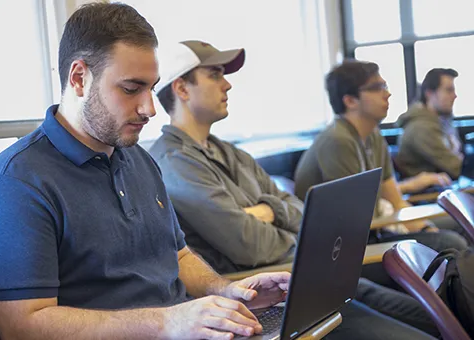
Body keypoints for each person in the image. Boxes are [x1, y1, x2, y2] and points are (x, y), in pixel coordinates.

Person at [0, 4, 295, 339]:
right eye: (131, 88)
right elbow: (21, 328)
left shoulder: (139, 159)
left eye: (151, 88)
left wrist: (227, 293)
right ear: (79, 78)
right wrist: (168, 323)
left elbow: (178, 257)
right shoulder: (13, 184)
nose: (149, 108)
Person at [150, 41, 438, 338]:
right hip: (268, 298)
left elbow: (301, 211)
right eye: (214, 74)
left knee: (436, 315)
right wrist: (276, 216)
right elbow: (249, 245)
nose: (227, 84)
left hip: (306, 276)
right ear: (182, 89)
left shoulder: (230, 152)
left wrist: (268, 212)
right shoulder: (174, 163)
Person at [294, 60, 467, 252]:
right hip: (338, 249)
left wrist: (426, 228)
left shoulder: (373, 135)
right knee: (451, 243)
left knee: (459, 226)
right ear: (350, 100)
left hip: (373, 231)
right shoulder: (338, 141)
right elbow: (357, 222)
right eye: (377, 88)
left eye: (385, 86)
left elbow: (395, 199)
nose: (388, 93)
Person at [396, 68, 463, 180]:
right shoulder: (421, 127)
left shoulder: (441, 121)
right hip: (426, 194)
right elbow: (456, 168)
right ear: (429, 93)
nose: (455, 96)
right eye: (449, 90)